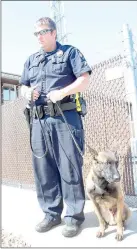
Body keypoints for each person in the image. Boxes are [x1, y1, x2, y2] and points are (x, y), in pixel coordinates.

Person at [20, 17, 91, 237]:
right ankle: (51, 214)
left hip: (64, 118)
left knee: (69, 166)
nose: (39, 37)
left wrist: (62, 92)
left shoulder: (70, 53)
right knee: (44, 170)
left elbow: (84, 78)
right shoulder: (31, 60)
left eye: (43, 32)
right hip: (39, 121)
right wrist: (25, 92)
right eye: (36, 34)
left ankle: (73, 216)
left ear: (54, 33)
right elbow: (23, 84)